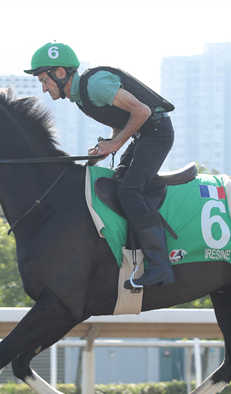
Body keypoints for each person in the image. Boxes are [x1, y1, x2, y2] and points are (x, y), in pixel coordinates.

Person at [25, 42, 176, 289]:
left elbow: (142, 111)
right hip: (144, 135)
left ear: (60, 73)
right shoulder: (80, 97)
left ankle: (160, 266)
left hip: (156, 133)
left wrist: (116, 143)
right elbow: (121, 117)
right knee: (118, 183)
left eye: (44, 80)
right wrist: (107, 144)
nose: (43, 89)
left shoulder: (95, 85)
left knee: (130, 190)